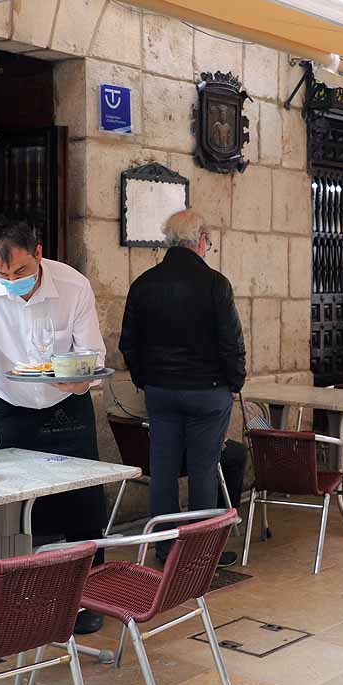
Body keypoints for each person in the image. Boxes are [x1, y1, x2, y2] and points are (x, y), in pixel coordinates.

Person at [0, 219, 109, 635]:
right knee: (13, 507)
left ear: (39, 254)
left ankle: (89, 597)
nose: (11, 281)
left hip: (67, 402)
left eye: (20, 272)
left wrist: (82, 379)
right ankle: (19, 597)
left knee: (83, 506)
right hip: (11, 403)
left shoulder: (73, 286)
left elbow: (92, 352)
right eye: (2, 273)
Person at [119, 210, 246, 566]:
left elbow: (129, 342)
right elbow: (231, 343)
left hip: (161, 391)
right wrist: (234, 382)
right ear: (201, 239)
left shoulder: (144, 284)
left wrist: (145, 379)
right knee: (204, 471)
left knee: (163, 470)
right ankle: (198, 554)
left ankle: (165, 547)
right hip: (208, 391)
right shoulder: (215, 284)